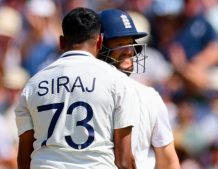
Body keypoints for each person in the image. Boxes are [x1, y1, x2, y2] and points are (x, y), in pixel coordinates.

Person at [15, 7, 137, 169]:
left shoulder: (33, 85)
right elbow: (124, 161)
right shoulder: (117, 81)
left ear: (61, 42)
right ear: (100, 41)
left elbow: (24, 158)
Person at [98, 9, 180, 169]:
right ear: (99, 46)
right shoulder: (83, 94)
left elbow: (169, 162)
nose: (128, 51)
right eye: (120, 44)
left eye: (130, 43)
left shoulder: (150, 97)